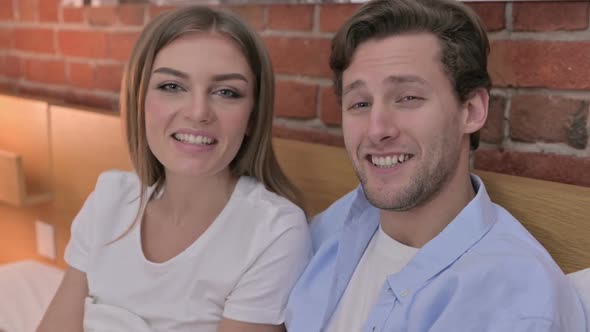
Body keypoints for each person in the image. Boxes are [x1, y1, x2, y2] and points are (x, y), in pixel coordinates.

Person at [285, 0, 586, 331]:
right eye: (360, 103)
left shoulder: (513, 303)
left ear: (470, 110)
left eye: (408, 97)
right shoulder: (335, 224)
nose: (376, 129)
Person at [37, 6, 311, 332]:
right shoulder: (110, 199)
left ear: (252, 115)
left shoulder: (272, 231)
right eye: (171, 86)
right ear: (139, 99)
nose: (198, 112)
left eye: (227, 92)